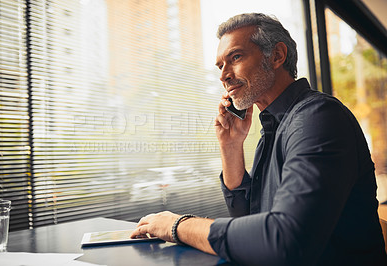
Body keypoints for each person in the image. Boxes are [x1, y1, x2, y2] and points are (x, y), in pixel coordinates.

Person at [131, 13, 387, 265]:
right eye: (220, 66)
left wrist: (178, 226)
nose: (223, 75)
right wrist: (230, 147)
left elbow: (282, 241)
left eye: (235, 57)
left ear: (277, 56)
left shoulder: (317, 117)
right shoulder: (274, 127)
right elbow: (250, 222)